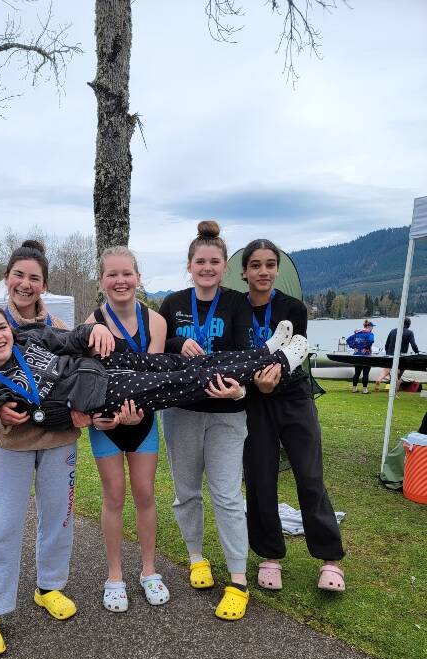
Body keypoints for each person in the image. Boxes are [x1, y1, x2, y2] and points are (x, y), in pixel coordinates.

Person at [0, 240, 89, 659]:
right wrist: (0, 410)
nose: (26, 284)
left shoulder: (57, 324)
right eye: (18, 276)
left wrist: (81, 410)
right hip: (12, 445)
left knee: (58, 518)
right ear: (7, 278)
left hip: (59, 441)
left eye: (35, 278)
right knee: (3, 524)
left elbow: (74, 377)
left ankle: (49, 588)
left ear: (44, 284)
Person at [230, 239, 346, 593]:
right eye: (256, 265)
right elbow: (236, 355)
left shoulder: (292, 307)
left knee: (309, 477)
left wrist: (272, 383)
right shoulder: (236, 308)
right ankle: (269, 556)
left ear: (277, 269)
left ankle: (329, 559)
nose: (263, 271)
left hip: (294, 398)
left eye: (269, 264)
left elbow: (296, 353)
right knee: (261, 478)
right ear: (244, 272)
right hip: (254, 402)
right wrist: (257, 386)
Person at [159, 221, 251, 621]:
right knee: (187, 492)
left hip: (228, 414)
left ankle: (238, 580)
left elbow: (251, 355)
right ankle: (197, 557)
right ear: (190, 264)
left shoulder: (238, 304)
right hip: (182, 412)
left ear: (225, 266)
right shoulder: (172, 303)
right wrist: (180, 343)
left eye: (215, 261)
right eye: (201, 261)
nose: (207, 267)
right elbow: (158, 348)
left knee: (228, 496)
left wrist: (239, 390)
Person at [84, 246, 170, 613]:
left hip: (143, 419)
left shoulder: (156, 322)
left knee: (145, 494)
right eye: (112, 275)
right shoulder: (91, 322)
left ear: (138, 277)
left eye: (127, 273)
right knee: (114, 496)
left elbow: (153, 379)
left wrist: (139, 412)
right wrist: (98, 416)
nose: (120, 281)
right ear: (101, 281)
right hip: (106, 424)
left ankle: (149, 570)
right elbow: (90, 380)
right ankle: (115, 575)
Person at [374, 318, 420, 391]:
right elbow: (413, 345)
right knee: (398, 374)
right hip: (401, 356)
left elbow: (387, 344)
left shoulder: (393, 331)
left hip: (390, 354)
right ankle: (394, 392)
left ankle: (379, 379)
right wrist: (417, 352)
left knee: (386, 369)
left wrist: (387, 353)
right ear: (409, 325)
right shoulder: (409, 333)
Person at [346, 320, 375, 394]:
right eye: (372, 326)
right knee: (365, 373)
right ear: (368, 326)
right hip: (366, 356)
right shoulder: (370, 334)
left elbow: (348, 340)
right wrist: (365, 348)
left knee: (357, 373)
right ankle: (365, 390)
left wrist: (353, 347)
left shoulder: (357, 333)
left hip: (356, 356)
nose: (372, 328)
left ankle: (354, 388)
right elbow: (371, 341)